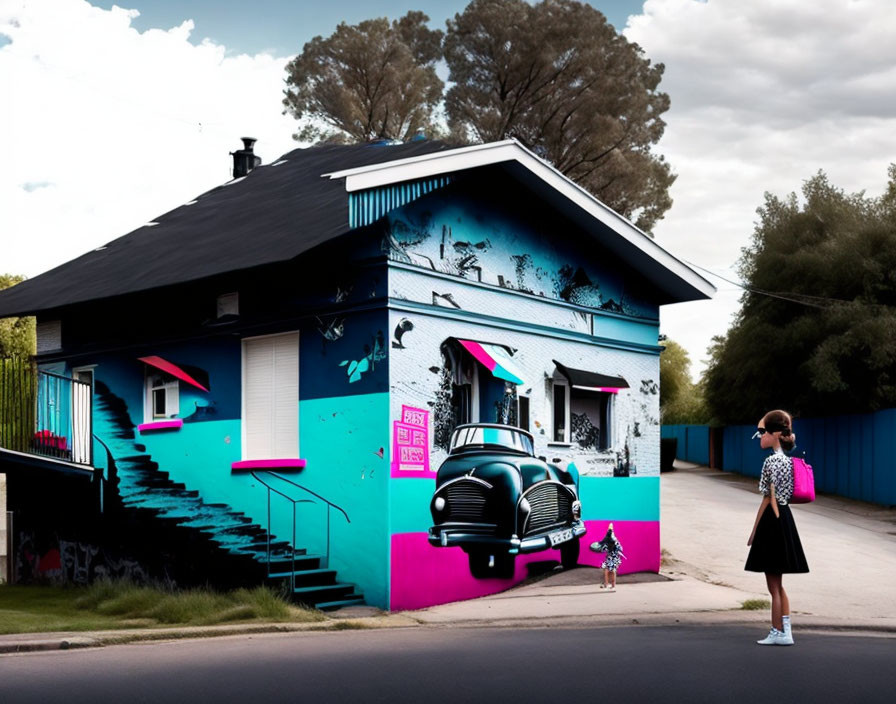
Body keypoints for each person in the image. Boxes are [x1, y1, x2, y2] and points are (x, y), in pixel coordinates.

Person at [745, 409, 809, 646]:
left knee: (773, 584)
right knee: (778, 583)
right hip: (785, 517)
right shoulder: (789, 461)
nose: (759, 436)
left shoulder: (771, 461)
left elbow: (766, 498)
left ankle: (777, 631)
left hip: (772, 522)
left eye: (762, 432)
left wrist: (754, 530)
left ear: (775, 434)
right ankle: (785, 631)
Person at [598, 523, 623, 590]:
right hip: (614, 558)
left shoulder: (608, 542)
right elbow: (621, 549)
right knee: (612, 571)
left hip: (611, 559)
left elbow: (603, 549)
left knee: (608, 571)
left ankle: (608, 585)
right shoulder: (616, 542)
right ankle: (612, 586)